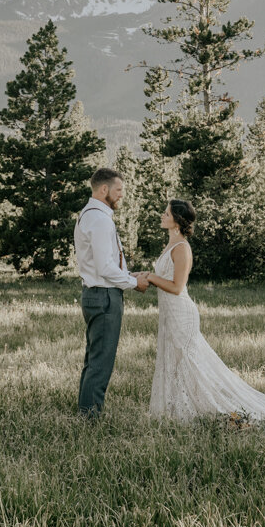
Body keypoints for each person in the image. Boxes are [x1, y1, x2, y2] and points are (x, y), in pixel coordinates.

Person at [136, 200, 265, 434]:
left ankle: (215, 412)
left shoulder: (182, 248)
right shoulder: (170, 245)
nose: (162, 215)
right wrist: (136, 277)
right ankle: (176, 412)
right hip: (169, 316)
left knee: (191, 365)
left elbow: (176, 287)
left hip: (181, 315)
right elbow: (159, 278)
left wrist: (151, 277)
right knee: (173, 363)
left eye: (166, 213)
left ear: (177, 219)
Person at [74, 167, 148, 418]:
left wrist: (129, 275)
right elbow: (105, 267)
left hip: (96, 293)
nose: (121, 195)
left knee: (94, 358)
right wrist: (133, 283)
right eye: (118, 190)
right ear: (104, 189)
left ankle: (86, 411)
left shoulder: (90, 215)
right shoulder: (100, 219)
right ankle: (90, 417)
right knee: (101, 361)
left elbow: (103, 262)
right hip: (104, 296)